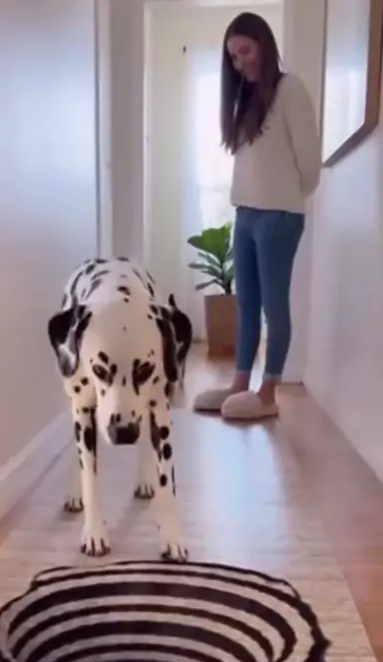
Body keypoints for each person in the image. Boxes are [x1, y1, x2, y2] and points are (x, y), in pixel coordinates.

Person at [193, 12, 321, 421]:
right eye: (233, 57)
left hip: (278, 217)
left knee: (273, 305)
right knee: (246, 303)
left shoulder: (290, 89)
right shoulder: (245, 101)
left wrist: (284, 198)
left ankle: (268, 394)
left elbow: (310, 167)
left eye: (245, 51)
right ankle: (239, 384)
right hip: (245, 214)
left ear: (263, 44)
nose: (240, 62)